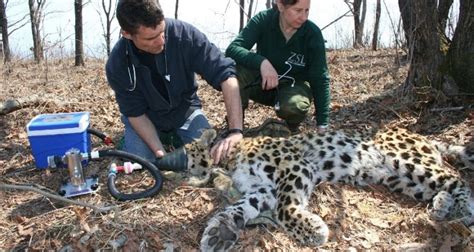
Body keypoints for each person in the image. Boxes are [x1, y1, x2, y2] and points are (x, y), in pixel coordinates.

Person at [106, 0, 243, 164]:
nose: (161, 41)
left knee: (208, 154)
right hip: (146, 118)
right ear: (127, 34)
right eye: (151, 38)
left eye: (162, 32)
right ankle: (141, 142)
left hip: (185, 111)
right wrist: (160, 154)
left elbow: (227, 76)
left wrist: (235, 131)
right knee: (143, 161)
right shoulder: (117, 63)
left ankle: (176, 138)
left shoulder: (184, 34)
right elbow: (135, 113)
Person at [226, 0, 330, 133]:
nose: (304, 17)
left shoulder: (312, 33)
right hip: (262, 83)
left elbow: (320, 79)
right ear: (280, 5)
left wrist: (323, 124)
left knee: (294, 106)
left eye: (307, 10)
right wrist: (262, 63)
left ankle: (289, 129)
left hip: (293, 88)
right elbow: (233, 49)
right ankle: (235, 128)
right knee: (234, 73)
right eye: (298, 10)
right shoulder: (263, 19)